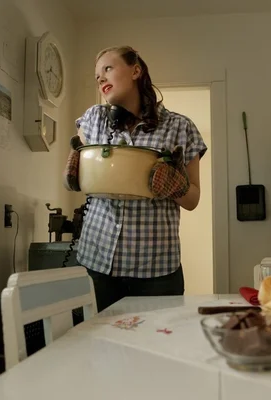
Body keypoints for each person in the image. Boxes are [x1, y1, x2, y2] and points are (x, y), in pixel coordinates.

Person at [64, 46, 207, 312]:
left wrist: (174, 185)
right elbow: (79, 174)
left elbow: (193, 199)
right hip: (96, 264)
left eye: (108, 68)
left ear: (136, 70)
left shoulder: (180, 127)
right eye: (97, 76)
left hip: (157, 271)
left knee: (153, 349)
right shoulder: (93, 119)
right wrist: (74, 172)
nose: (101, 78)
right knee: (95, 349)